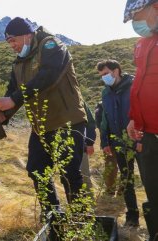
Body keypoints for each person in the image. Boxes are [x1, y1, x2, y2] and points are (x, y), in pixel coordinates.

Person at [0, 17, 87, 213]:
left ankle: (81, 221)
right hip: (41, 126)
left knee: (70, 174)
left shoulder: (52, 45)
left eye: (13, 40)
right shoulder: (18, 63)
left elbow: (48, 76)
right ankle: (54, 219)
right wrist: (3, 114)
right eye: (8, 42)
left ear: (27, 35)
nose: (12, 46)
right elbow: (12, 92)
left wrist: (14, 99)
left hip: (66, 122)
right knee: (36, 170)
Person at [124, 0, 158, 238]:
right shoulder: (142, 43)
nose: (135, 22)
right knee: (154, 194)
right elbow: (140, 84)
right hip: (147, 135)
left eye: (137, 14)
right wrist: (133, 118)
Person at [96, 59, 140, 227]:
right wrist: (105, 141)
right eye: (101, 76)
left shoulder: (134, 85)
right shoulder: (106, 93)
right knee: (127, 179)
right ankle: (132, 216)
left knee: (150, 177)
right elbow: (105, 119)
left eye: (106, 73)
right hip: (120, 143)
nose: (104, 78)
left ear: (116, 71)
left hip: (141, 138)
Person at [95, 102, 119, 196]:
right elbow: (101, 125)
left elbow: (100, 126)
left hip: (109, 141)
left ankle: (111, 190)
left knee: (111, 166)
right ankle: (115, 190)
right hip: (111, 141)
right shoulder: (101, 106)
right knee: (113, 166)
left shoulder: (101, 105)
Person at [80, 102, 96, 197]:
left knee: (84, 176)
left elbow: (90, 122)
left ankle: (90, 204)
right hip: (62, 147)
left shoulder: (79, 99)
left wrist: (89, 143)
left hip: (81, 146)